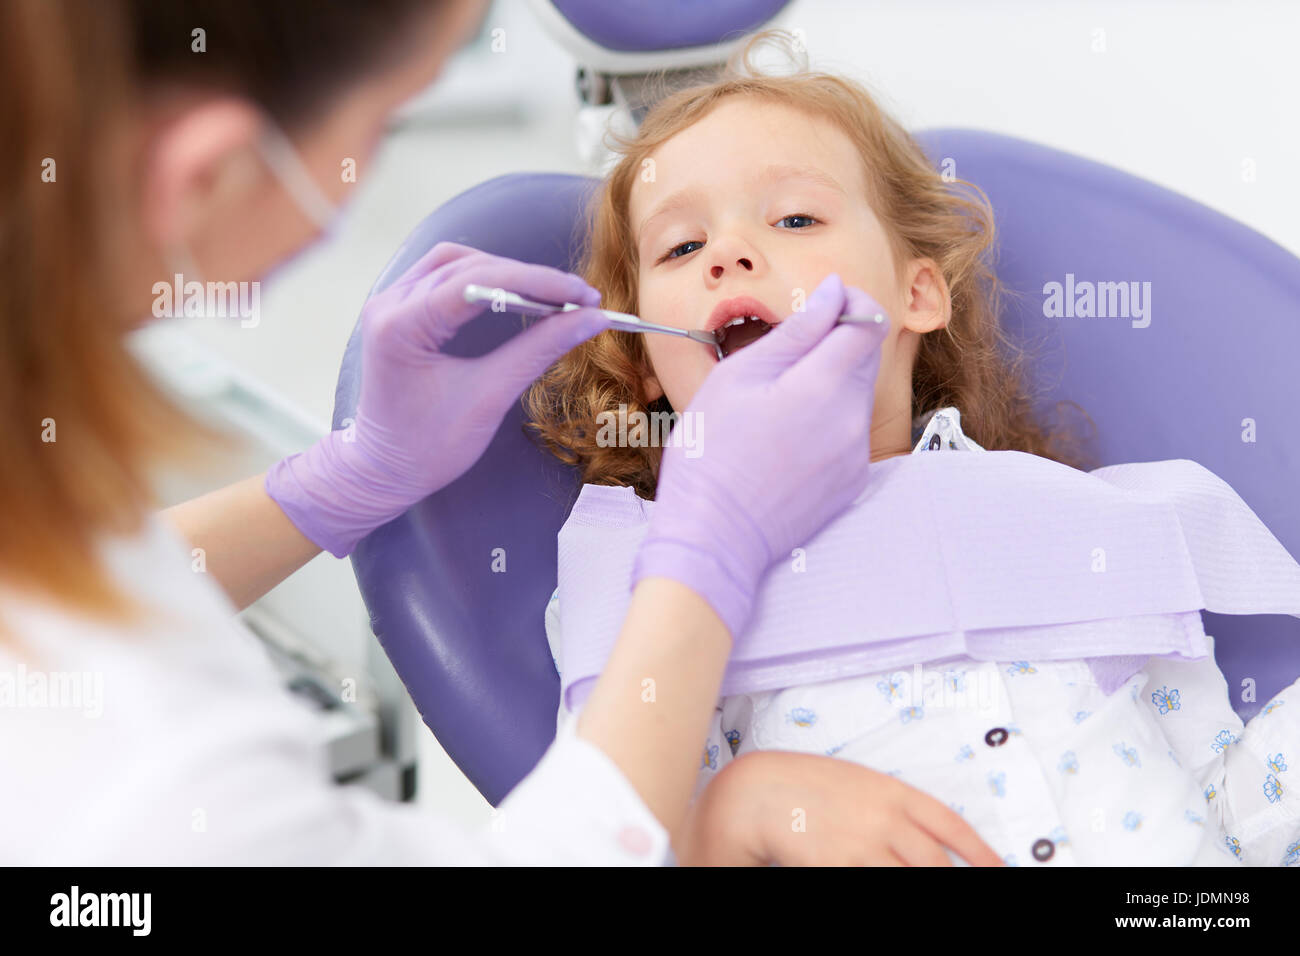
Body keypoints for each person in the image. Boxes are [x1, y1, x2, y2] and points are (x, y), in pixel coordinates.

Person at [0, 0, 1003, 865]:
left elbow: (66, 595)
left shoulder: (1066, 506)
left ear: (921, 290)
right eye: (389, 121)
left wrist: (338, 483)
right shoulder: (165, 790)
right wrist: (713, 559)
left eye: (793, 219)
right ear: (207, 174)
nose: (732, 254)